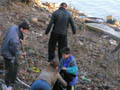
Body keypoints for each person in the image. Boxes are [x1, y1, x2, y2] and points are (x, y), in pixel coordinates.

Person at [1, 21, 29, 90]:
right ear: (22, 29)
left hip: (9, 47)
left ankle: (13, 79)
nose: (26, 32)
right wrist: (22, 53)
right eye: (25, 30)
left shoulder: (14, 27)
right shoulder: (14, 39)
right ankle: (7, 84)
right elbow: (15, 52)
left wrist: (20, 39)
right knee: (9, 69)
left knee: (16, 65)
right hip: (7, 53)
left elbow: (17, 36)